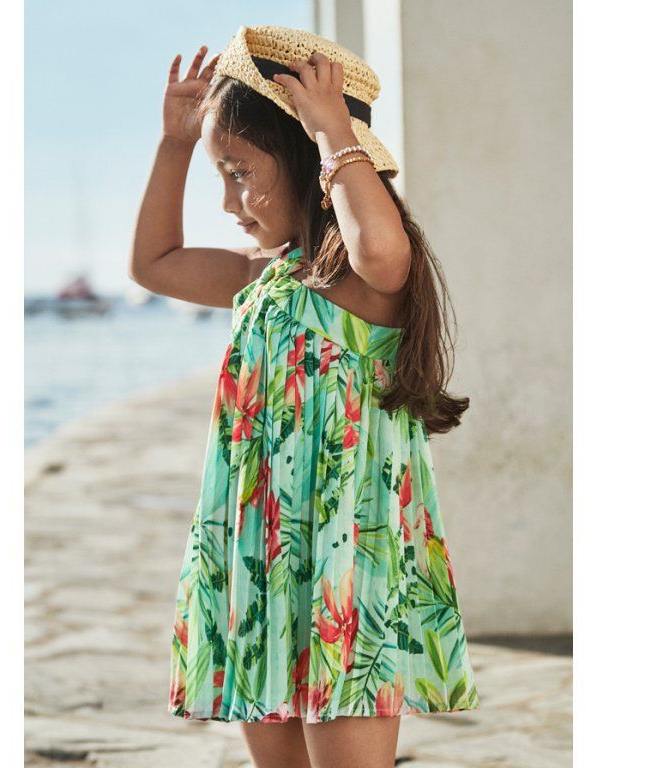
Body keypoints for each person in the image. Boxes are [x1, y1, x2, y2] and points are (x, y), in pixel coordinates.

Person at [129, 24, 479, 768]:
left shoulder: (368, 282)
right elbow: (155, 265)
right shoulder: (265, 275)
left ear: (303, 157)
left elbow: (379, 246)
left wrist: (332, 130)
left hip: (345, 558)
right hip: (261, 552)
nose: (229, 201)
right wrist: (174, 146)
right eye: (221, 175)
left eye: (240, 172)